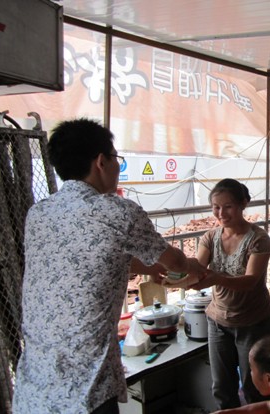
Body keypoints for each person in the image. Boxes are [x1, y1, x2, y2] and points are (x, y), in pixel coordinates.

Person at [12, 118, 207, 414]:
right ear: (101, 161)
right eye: (117, 158)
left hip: (33, 391)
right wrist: (194, 267)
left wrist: (146, 268)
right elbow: (177, 262)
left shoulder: (38, 213)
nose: (117, 166)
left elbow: (89, 258)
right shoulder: (118, 212)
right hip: (85, 390)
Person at [167, 178, 270, 410]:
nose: (221, 213)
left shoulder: (259, 239)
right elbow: (197, 269)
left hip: (252, 323)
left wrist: (216, 278)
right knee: (222, 387)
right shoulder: (211, 237)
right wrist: (173, 277)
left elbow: (251, 281)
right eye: (216, 207)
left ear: (243, 204)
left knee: (254, 388)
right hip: (218, 322)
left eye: (228, 206)